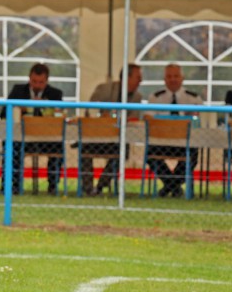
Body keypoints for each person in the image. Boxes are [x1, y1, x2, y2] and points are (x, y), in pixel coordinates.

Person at [81, 64, 144, 196]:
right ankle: (87, 188)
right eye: (138, 77)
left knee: (122, 151)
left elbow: (134, 118)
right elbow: (90, 110)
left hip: (117, 140)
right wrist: (103, 117)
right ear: (127, 77)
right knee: (84, 148)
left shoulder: (137, 97)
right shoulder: (105, 89)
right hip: (97, 136)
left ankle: (100, 186)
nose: (140, 81)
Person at [5, 63, 64, 194]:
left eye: (41, 82)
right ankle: (13, 185)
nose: (37, 85)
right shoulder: (18, 91)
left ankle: (53, 185)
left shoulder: (55, 94)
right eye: (34, 81)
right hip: (22, 138)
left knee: (59, 146)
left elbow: (59, 115)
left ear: (46, 81)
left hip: (47, 139)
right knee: (10, 145)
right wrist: (20, 109)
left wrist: (45, 108)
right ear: (29, 78)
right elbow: (5, 112)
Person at [147, 63, 203, 197]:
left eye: (176, 76)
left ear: (182, 78)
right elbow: (147, 117)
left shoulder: (193, 98)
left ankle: (169, 187)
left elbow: (197, 119)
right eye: (169, 76)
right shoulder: (155, 98)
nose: (173, 79)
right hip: (162, 142)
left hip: (185, 142)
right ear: (164, 79)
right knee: (150, 153)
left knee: (193, 154)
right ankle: (174, 186)